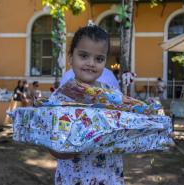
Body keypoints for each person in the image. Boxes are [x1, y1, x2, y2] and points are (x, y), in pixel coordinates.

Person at [50, 25, 124, 185]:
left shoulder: (113, 96)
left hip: (108, 177)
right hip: (73, 178)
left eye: (99, 59)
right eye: (83, 56)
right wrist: (64, 150)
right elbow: (51, 141)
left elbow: (125, 129)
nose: (91, 63)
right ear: (70, 58)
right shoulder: (59, 98)